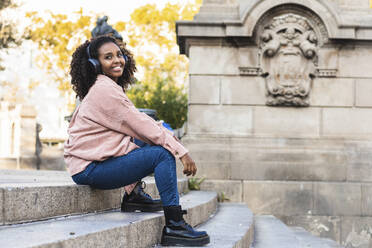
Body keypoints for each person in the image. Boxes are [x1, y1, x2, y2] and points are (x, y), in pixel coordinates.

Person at [64, 35, 210, 247]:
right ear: (95, 64)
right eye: (108, 57)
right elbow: (143, 126)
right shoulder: (104, 90)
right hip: (89, 168)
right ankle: (175, 225)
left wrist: (173, 140)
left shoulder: (106, 86)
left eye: (119, 55)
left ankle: (133, 196)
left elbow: (143, 124)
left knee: (151, 141)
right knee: (162, 154)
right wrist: (181, 151)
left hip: (93, 161)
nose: (117, 60)